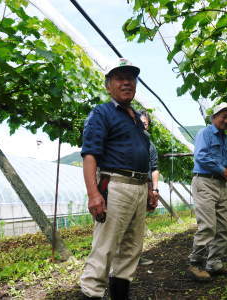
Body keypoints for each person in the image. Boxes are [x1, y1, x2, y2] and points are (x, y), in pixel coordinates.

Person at [79, 58, 150, 300]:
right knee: (105, 249)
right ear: (109, 85)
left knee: (131, 249)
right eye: (120, 78)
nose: (126, 82)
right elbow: (90, 155)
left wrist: (149, 188)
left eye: (131, 78)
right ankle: (91, 293)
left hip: (139, 186)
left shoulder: (136, 119)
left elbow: (143, 157)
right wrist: (93, 194)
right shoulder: (102, 112)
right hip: (116, 186)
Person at [188, 102, 227, 281]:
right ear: (214, 116)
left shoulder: (225, 139)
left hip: (220, 184)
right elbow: (201, 156)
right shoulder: (205, 133)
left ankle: (214, 263)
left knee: (223, 227)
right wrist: (222, 169)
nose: (226, 120)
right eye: (223, 116)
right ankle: (195, 263)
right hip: (205, 182)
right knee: (208, 226)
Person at [138, 110, 160, 266]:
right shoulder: (128, 140)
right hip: (127, 183)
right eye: (140, 123)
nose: (143, 126)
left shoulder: (150, 145)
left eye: (145, 123)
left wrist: (155, 189)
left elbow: (154, 168)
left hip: (144, 184)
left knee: (138, 222)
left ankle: (136, 256)